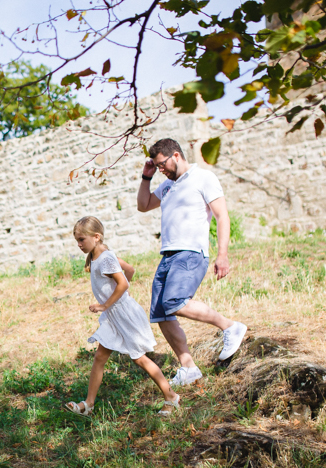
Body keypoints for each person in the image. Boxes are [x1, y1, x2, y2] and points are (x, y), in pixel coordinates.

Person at [137, 138, 248, 386]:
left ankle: (230, 326)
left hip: (190, 252)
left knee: (174, 303)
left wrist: (223, 254)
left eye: (162, 164)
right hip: (167, 255)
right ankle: (188, 367)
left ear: (176, 155)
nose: (161, 170)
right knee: (161, 314)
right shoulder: (166, 186)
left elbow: (222, 216)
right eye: (157, 166)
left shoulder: (204, 178)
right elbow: (143, 205)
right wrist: (147, 177)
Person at [64, 216, 180, 417]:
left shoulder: (106, 258)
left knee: (139, 359)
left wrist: (106, 304)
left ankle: (172, 397)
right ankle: (88, 404)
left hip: (124, 314)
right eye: (77, 240)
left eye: (82, 239)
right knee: (100, 356)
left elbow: (124, 283)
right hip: (113, 316)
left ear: (96, 237)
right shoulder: (99, 255)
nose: (79, 244)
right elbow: (130, 270)